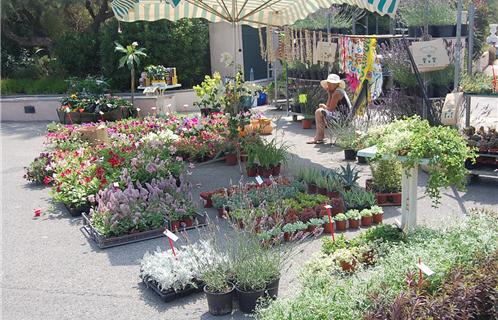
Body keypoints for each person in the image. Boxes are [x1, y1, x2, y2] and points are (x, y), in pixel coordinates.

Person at [307, 74, 351, 144]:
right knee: (320, 111)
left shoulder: (337, 92)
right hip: (342, 115)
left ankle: (319, 136)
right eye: (329, 83)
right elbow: (329, 107)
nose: (329, 85)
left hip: (343, 118)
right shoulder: (336, 91)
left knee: (318, 112)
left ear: (337, 84)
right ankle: (320, 136)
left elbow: (330, 109)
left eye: (331, 84)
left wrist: (324, 106)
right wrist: (329, 95)